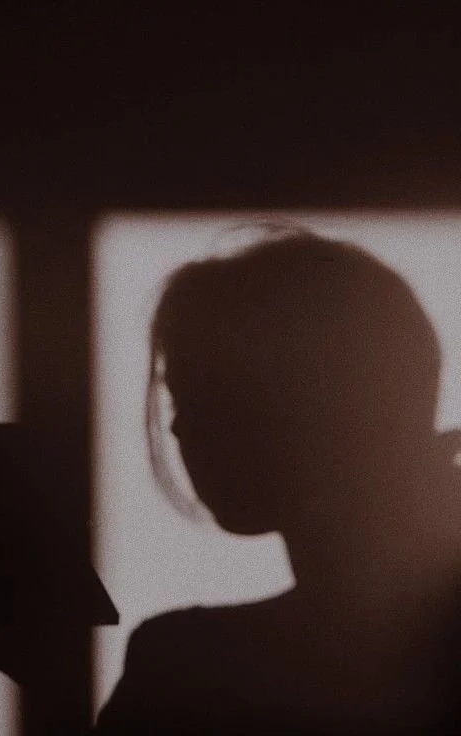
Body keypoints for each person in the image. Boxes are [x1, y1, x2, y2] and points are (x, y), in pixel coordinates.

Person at [93, 229, 461, 734]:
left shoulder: (191, 670)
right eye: (180, 397)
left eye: (214, 395)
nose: (180, 427)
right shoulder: (185, 663)